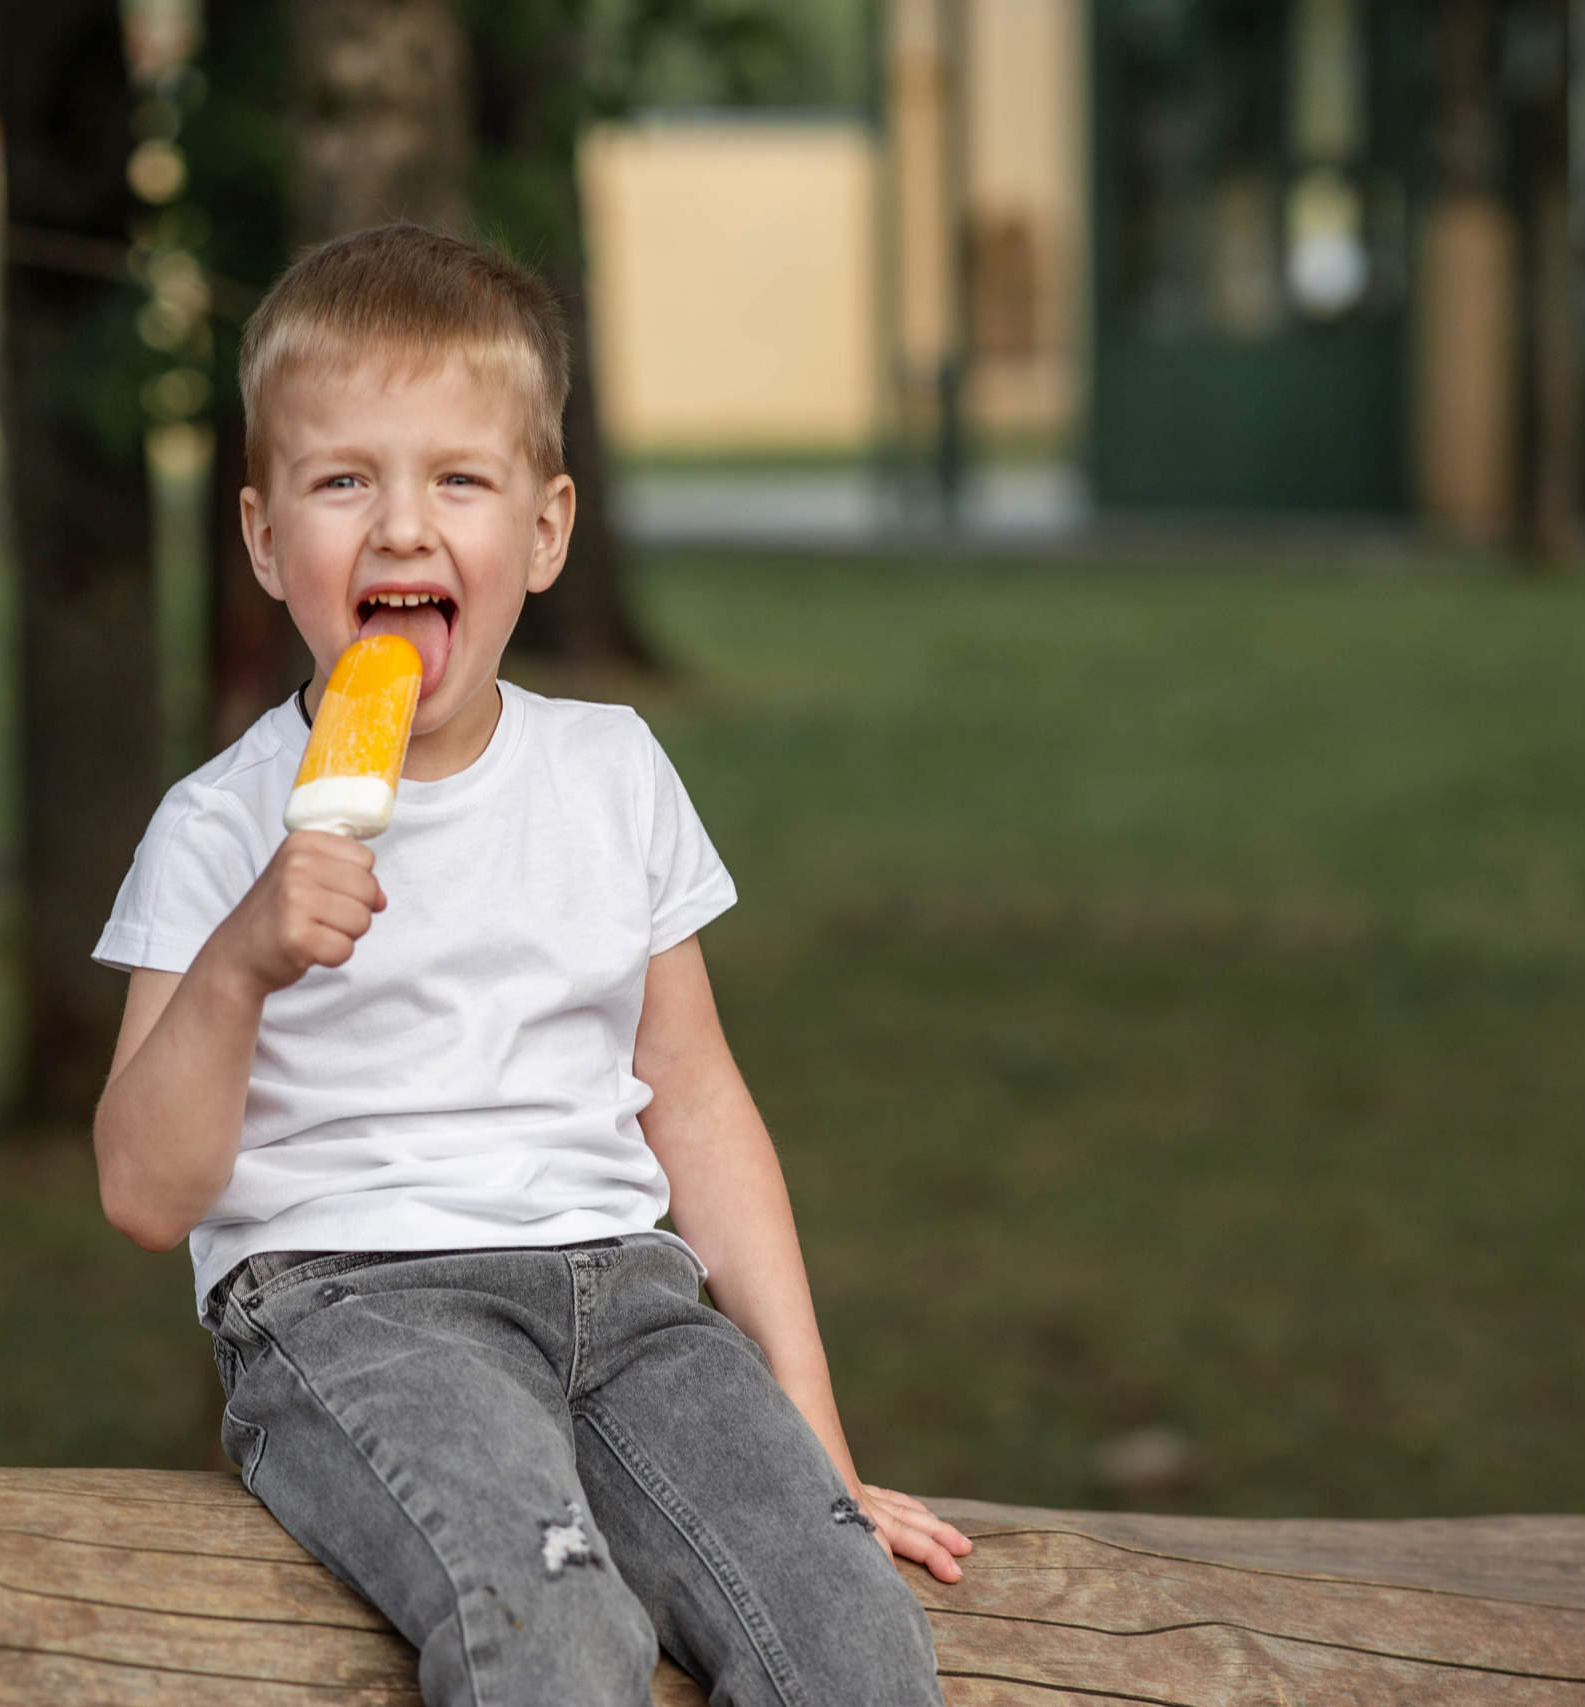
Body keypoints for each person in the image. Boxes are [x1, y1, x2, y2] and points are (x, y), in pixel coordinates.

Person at [90, 224, 968, 1707]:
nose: (402, 529)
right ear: (261, 537)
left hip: (632, 1303)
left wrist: (816, 1450)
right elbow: (140, 1191)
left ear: (547, 532)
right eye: (343, 478)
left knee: (851, 1630)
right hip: (360, 1310)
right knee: (560, 1639)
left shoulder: (611, 772)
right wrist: (240, 962)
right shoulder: (217, 828)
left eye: (459, 479)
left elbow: (692, 1098)